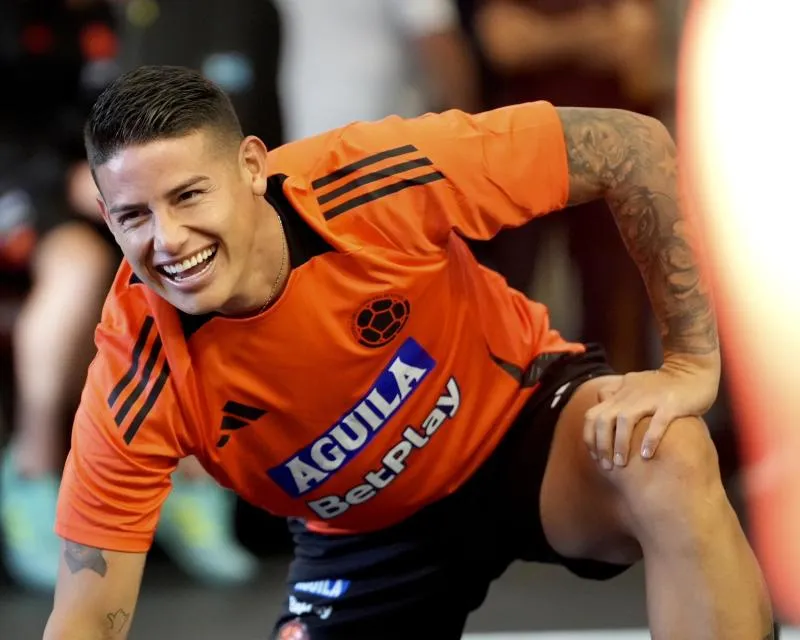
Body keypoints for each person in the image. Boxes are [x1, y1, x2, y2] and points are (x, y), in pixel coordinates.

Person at [45, 66, 772, 639]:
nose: (168, 240)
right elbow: (85, 619)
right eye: (134, 216)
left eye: (189, 196)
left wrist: (690, 363)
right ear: (106, 216)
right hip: (361, 537)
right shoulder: (135, 376)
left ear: (252, 167)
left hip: (521, 430)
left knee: (667, 449)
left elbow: (632, 144)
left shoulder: (370, 180)